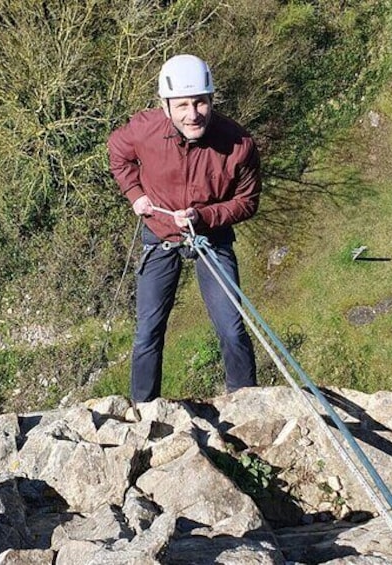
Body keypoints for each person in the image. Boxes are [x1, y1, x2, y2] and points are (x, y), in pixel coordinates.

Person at [107, 53, 261, 403]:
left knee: (232, 327)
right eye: (182, 105)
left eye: (201, 103)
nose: (193, 114)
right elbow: (117, 151)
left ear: (211, 100)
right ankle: (144, 410)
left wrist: (203, 217)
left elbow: (247, 201)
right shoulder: (144, 130)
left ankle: (246, 403)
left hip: (211, 235)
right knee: (147, 331)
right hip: (161, 233)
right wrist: (135, 193)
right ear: (165, 106)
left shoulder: (238, 145)